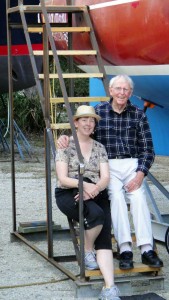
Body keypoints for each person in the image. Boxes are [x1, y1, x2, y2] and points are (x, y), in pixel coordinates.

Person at [57, 75, 163, 271]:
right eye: (118, 89)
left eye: (126, 90)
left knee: (139, 197)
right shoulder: (99, 112)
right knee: (116, 198)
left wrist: (140, 174)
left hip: (132, 164)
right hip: (108, 164)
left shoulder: (139, 115)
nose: (122, 93)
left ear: (130, 93)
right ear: (111, 91)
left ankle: (147, 249)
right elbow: (84, 132)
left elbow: (148, 150)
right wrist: (65, 137)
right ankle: (125, 250)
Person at [55, 105, 121, 300]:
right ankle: (87, 250)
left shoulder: (99, 147)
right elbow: (62, 178)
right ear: (76, 123)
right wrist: (84, 186)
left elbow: (105, 177)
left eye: (92, 120)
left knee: (104, 232)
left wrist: (94, 189)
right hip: (70, 191)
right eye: (84, 119)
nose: (88, 123)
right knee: (96, 215)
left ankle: (109, 287)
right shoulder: (65, 145)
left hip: (95, 190)